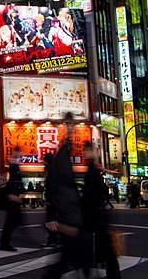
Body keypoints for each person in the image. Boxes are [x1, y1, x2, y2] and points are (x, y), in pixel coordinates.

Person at [43, 113, 82, 279]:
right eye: (68, 125)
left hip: (70, 214)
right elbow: (54, 186)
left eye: (72, 125)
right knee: (66, 259)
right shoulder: (59, 157)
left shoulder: (63, 153)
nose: (71, 128)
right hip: (67, 216)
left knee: (69, 258)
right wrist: (52, 216)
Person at [80, 142, 121, 278]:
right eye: (86, 150)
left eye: (89, 150)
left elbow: (93, 193)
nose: (87, 152)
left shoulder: (92, 170)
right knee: (105, 252)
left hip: (94, 216)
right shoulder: (93, 169)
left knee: (100, 251)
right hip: (96, 216)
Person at [0, 162, 24, 251]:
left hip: (12, 206)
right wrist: (19, 199)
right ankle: (4, 243)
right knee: (11, 224)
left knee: (10, 224)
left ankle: (4, 243)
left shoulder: (12, 180)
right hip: (13, 206)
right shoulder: (14, 181)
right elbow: (11, 195)